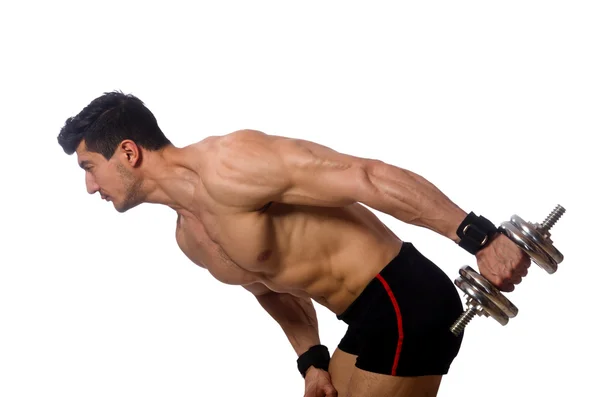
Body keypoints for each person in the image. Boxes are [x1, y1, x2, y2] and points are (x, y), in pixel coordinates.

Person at [57, 91, 530, 397]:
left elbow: (366, 177)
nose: (90, 188)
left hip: (404, 297)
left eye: (88, 168)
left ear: (128, 152)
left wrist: (480, 237)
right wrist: (311, 361)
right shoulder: (190, 237)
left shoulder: (231, 163)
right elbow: (271, 287)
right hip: (362, 318)